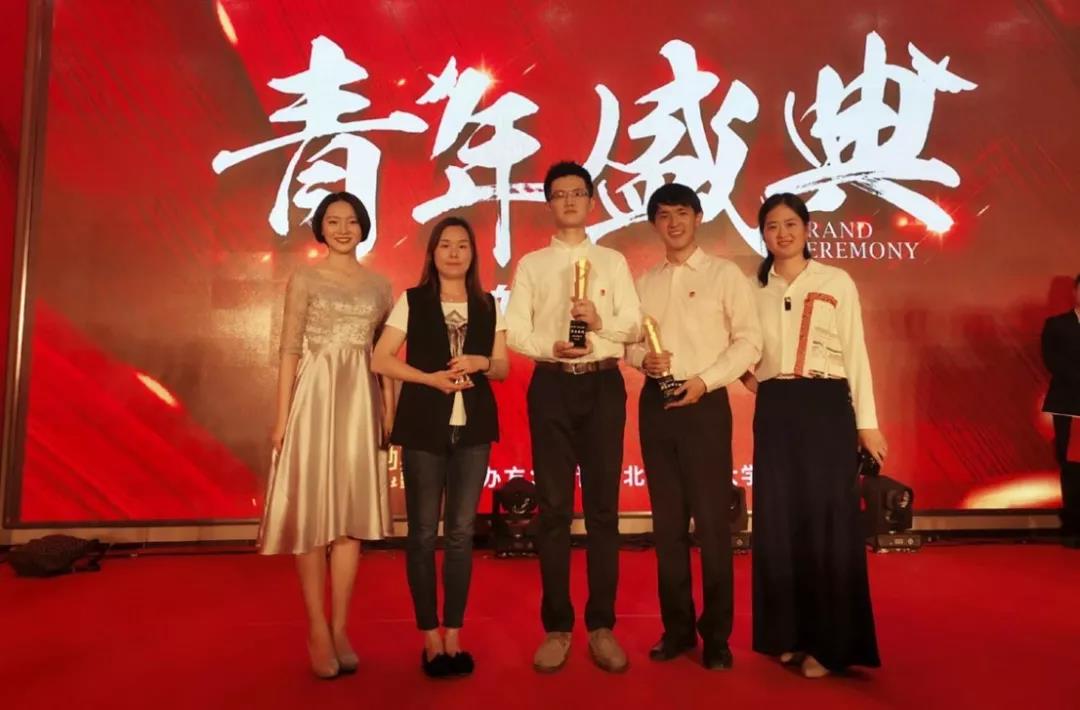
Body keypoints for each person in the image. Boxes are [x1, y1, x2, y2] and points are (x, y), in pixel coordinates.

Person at [505, 161, 641, 673]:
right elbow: (516, 330)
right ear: (549, 202)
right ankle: (558, 627)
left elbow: (632, 326)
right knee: (555, 509)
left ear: (590, 200)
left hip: (603, 384)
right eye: (559, 193)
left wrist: (599, 324)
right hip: (552, 385)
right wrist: (551, 346)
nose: (569, 201)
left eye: (577, 193)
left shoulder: (612, 261)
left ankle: (602, 625)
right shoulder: (532, 265)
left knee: (603, 510)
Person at [742, 192, 885, 678]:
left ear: (806, 229)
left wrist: (867, 423)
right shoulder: (754, 288)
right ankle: (790, 634)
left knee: (827, 522)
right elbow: (738, 344)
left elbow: (856, 351)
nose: (781, 234)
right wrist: (750, 378)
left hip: (826, 407)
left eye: (790, 224)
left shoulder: (835, 281)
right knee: (780, 521)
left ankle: (829, 644)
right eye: (771, 226)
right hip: (776, 409)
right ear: (762, 234)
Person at [260, 191, 395, 679]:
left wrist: (389, 411)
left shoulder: (381, 286)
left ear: (363, 227)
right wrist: (282, 418)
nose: (342, 229)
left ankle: (340, 628)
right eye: (333, 221)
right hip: (314, 398)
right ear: (320, 228)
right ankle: (317, 628)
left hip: (360, 399)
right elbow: (289, 349)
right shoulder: (305, 278)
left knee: (349, 521)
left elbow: (385, 356)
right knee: (312, 518)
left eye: (351, 221)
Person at [627, 183, 761, 670]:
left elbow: (749, 341)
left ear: (699, 217)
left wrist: (705, 381)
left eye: (682, 213)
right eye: (663, 215)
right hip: (657, 403)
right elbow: (628, 342)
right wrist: (642, 359)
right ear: (654, 224)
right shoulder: (644, 283)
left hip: (705, 402)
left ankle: (717, 637)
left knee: (712, 525)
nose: (673, 223)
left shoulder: (725, 275)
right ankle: (677, 629)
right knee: (667, 527)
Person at [372, 216, 509, 677]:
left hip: (473, 432)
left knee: (461, 534)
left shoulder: (488, 304)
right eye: (445, 245)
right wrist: (429, 379)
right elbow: (380, 359)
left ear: (473, 254)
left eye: (462, 245)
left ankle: (454, 631)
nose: (454, 252)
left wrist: (480, 361)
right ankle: (429, 633)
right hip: (423, 428)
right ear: (432, 254)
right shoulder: (413, 301)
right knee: (422, 533)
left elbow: (503, 367)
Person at [1040, 273, 1080, 548]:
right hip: (1069, 405)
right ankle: (1073, 526)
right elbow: (1052, 361)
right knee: (1072, 467)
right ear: (1075, 292)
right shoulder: (1056, 325)